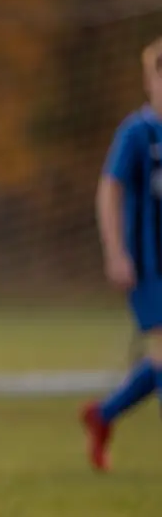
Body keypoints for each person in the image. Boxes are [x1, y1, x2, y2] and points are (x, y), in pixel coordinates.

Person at [82, 36, 162, 471]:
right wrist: (115, 252)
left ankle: (103, 414)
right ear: (150, 83)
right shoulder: (137, 132)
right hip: (150, 266)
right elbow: (109, 191)